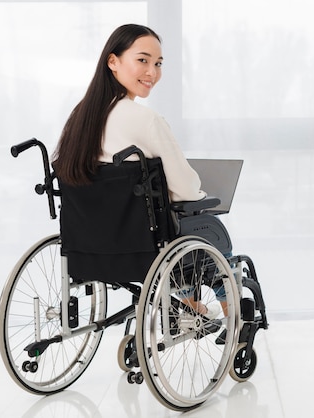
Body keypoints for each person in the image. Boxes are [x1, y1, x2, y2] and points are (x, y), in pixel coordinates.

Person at [53, 24, 221, 319]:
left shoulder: (80, 118)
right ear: (113, 61)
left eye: (158, 64)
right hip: (139, 245)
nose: (152, 72)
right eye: (142, 60)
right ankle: (227, 317)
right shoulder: (145, 120)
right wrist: (201, 193)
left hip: (86, 246)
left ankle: (191, 306)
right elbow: (185, 189)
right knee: (210, 229)